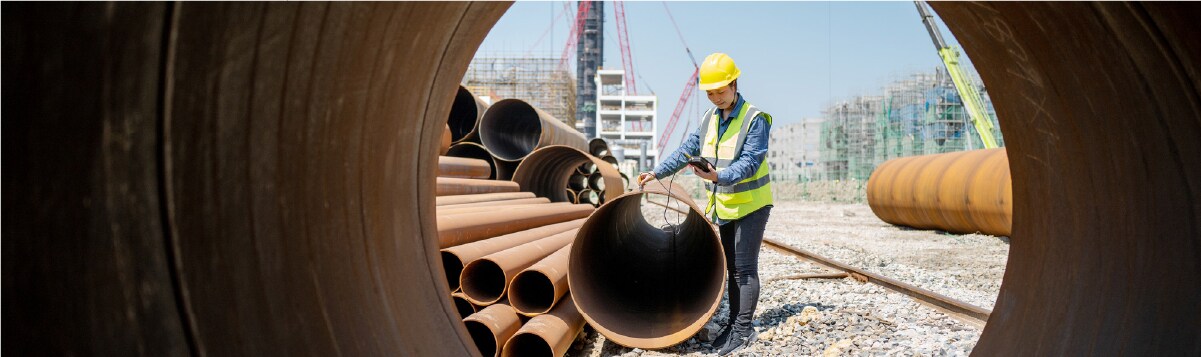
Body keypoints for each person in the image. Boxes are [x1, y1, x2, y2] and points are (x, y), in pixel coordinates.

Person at [638, 52, 773, 356]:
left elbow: (750, 163)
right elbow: (686, 151)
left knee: (744, 269)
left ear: (734, 84)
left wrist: (717, 175)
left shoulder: (755, 119)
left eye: (720, 91)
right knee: (732, 268)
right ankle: (735, 325)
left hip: (752, 204)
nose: (715, 97)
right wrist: (656, 172)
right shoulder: (709, 119)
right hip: (725, 205)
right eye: (710, 92)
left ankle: (742, 330)